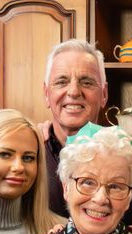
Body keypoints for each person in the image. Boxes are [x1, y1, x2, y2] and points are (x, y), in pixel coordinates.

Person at [40, 39, 108, 217]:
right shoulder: (29, 153)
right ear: (47, 94)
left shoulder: (130, 161)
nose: (73, 92)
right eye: (62, 82)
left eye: (86, 82)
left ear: (104, 95)